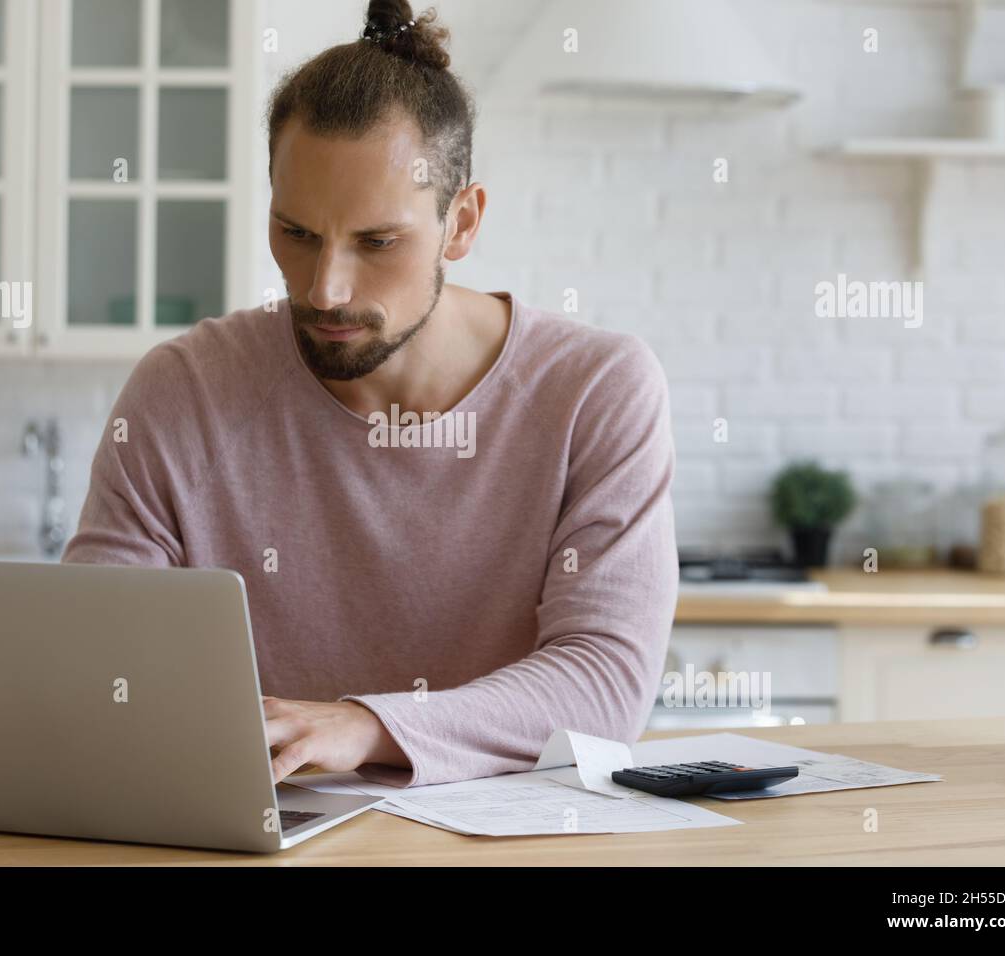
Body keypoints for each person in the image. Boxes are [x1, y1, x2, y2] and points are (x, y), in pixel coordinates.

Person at [62, 0, 679, 789]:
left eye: (377, 242)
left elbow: (604, 684)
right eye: (297, 233)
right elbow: (98, 656)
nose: (325, 288)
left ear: (461, 223)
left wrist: (366, 725)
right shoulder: (184, 390)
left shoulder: (596, 391)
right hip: (265, 841)